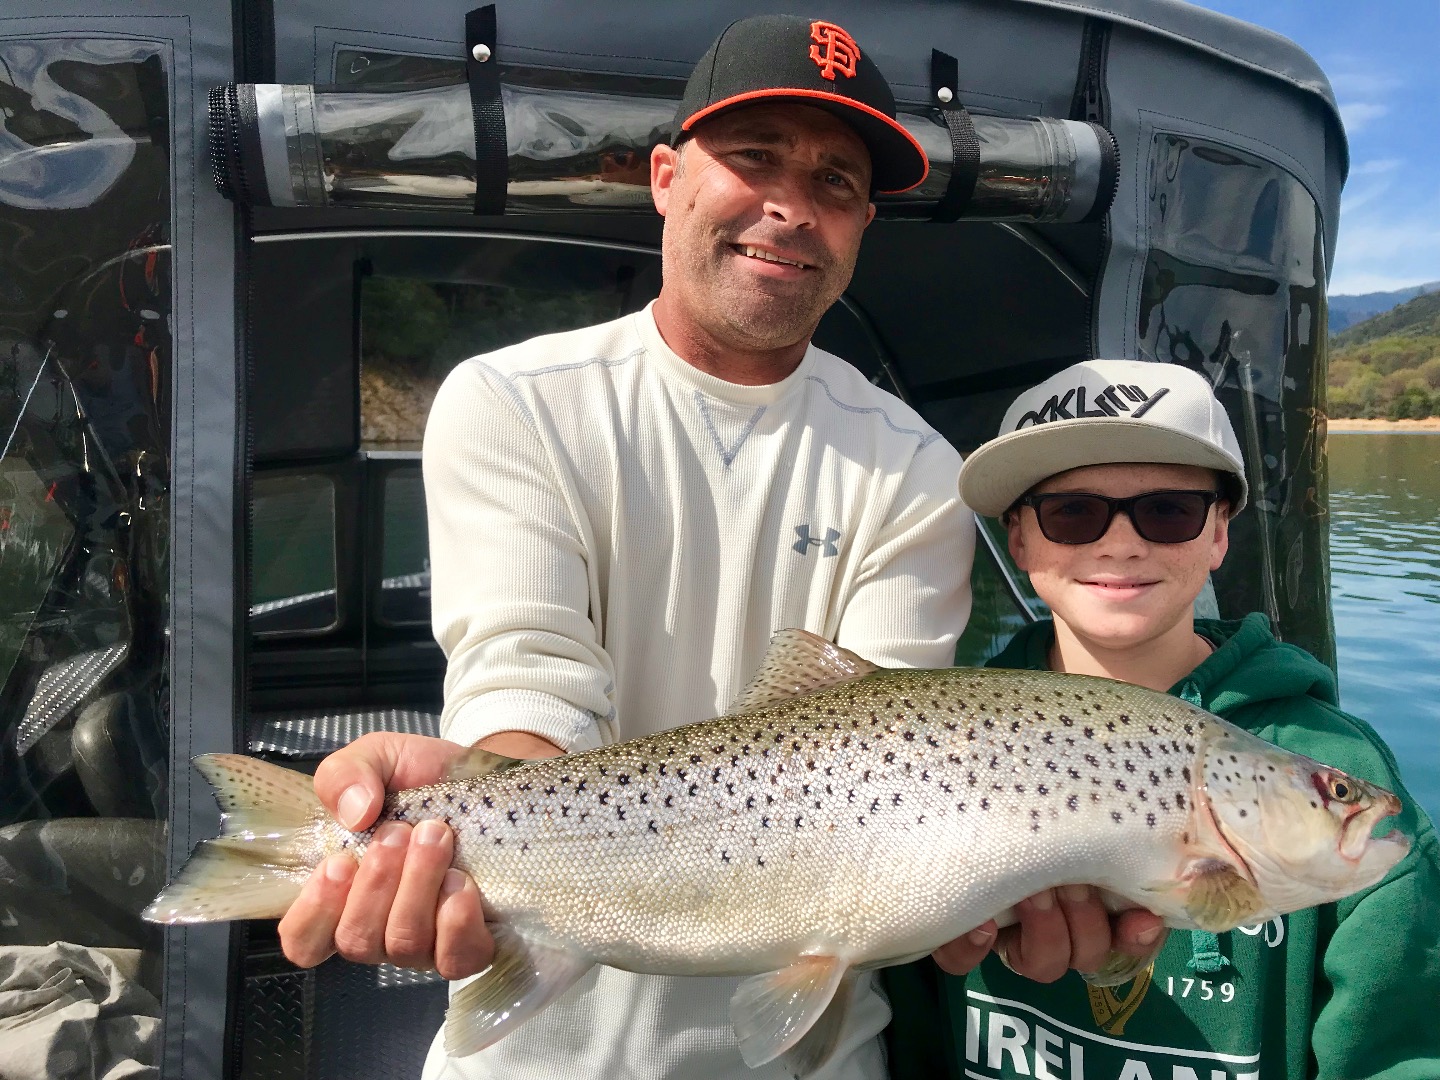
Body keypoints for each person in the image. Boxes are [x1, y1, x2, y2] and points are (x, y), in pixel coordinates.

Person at [274, 16, 1163, 1078]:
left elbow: (886, 746)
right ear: (664, 177)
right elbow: (527, 679)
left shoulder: (919, 468)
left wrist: (1007, 888)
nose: (791, 206)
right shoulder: (510, 402)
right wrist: (464, 807)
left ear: (863, 224)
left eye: (836, 182)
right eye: (753, 159)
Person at [884, 358, 1440, 1080]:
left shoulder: (1339, 764)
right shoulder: (927, 743)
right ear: (1018, 538)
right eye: (1073, 513)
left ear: (1218, 533)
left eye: (1168, 510)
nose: (1121, 543)